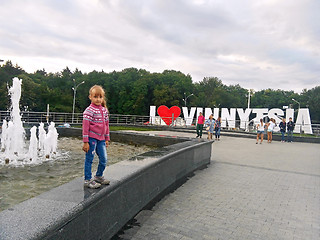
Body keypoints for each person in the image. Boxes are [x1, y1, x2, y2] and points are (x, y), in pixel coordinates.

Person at [82, 85, 110, 189]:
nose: (98, 99)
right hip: (92, 139)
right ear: (90, 97)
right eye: (95, 97)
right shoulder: (89, 110)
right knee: (89, 159)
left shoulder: (104, 110)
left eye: (100, 97)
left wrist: (107, 139)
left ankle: (98, 176)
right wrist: (85, 141)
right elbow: (85, 127)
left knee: (104, 159)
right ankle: (87, 179)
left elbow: (106, 125)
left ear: (103, 98)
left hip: (101, 139)